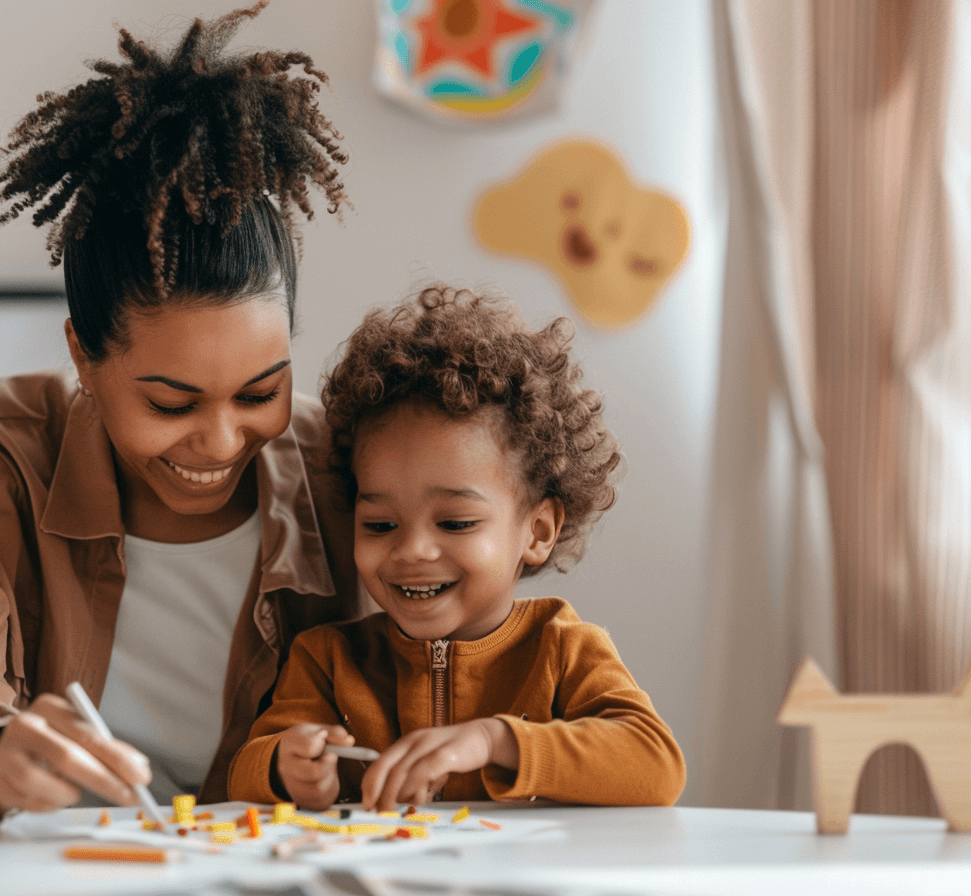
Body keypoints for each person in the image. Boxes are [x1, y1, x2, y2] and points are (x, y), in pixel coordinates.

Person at [0, 1, 359, 828]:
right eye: (170, 402)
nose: (223, 441)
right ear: (83, 355)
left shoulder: (338, 463)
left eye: (262, 392)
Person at [228, 285, 686, 811]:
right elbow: (246, 771)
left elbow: (656, 766)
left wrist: (494, 740)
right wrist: (284, 766)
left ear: (537, 532)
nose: (412, 550)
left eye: (455, 522)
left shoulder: (562, 649)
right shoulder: (328, 660)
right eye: (379, 524)